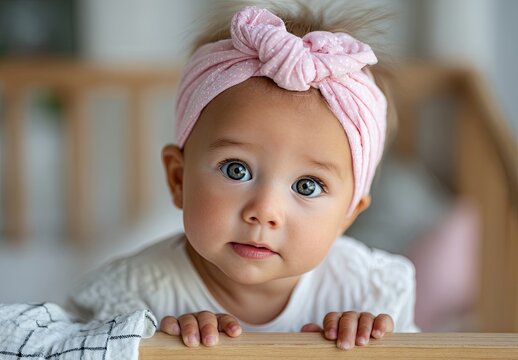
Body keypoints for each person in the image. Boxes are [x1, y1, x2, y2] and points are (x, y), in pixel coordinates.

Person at [67, 2, 418, 351]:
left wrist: (378, 350)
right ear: (178, 179)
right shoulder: (131, 299)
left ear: (349, 214)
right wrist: (160, 348)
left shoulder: (370, 294)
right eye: (237, 170)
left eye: (307, 186)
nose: (264, 210)